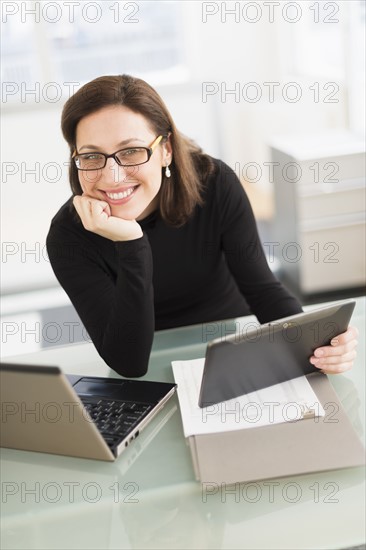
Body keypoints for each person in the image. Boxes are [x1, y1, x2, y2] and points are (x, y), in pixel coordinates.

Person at [46, 74, 358, 378]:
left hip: (231, 343)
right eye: (91, 156)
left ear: (165, 150)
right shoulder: (68, 236)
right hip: (149, 359)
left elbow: (263, 290)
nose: (112, 176)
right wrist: (131, 244)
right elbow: (129, 363)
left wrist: (317, 343)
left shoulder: (214, 184)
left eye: (131, 151)